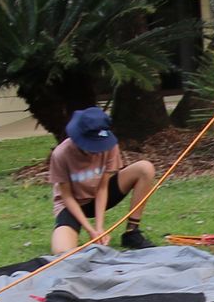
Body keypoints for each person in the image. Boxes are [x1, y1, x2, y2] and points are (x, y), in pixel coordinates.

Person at [48, 105, 156, 256]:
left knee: (145, 168)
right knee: (61, 251)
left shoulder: (109, 147)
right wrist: (90, 230)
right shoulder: (61, 154)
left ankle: (132, 233)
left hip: (97, 195)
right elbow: (67, 197)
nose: (96, 151)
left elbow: (102, 187)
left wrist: (99, 229)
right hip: (71, 204)